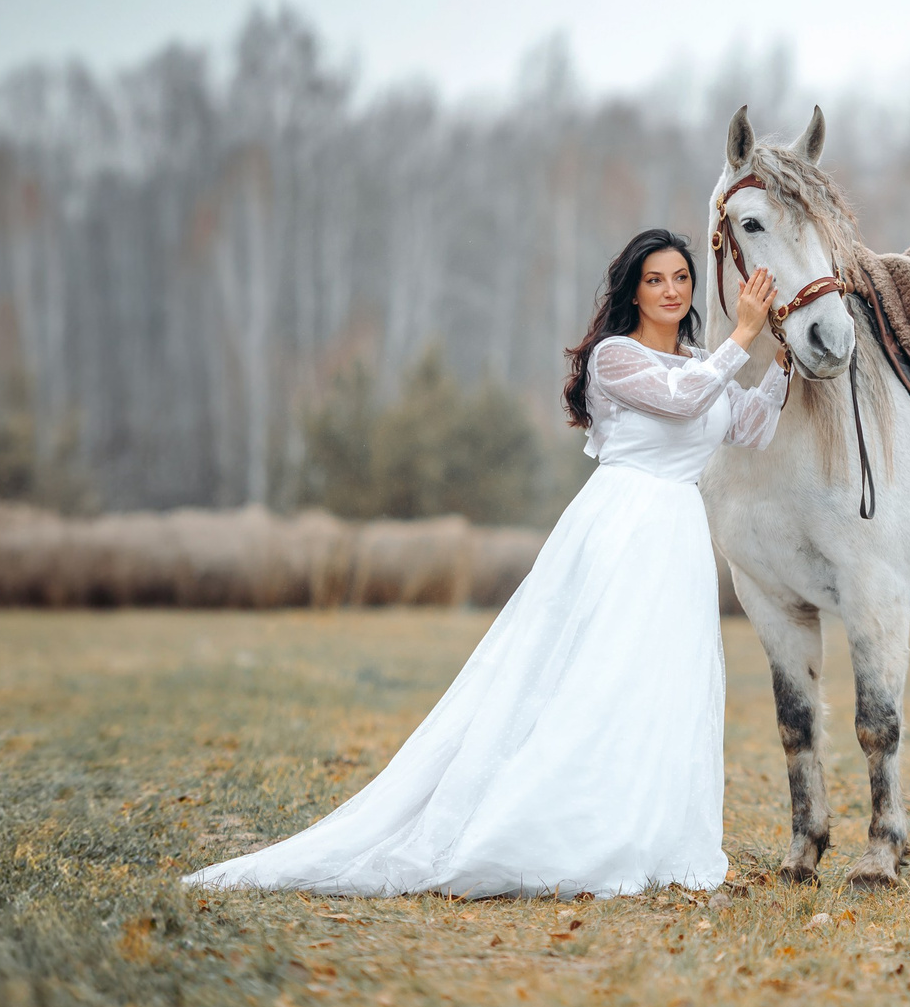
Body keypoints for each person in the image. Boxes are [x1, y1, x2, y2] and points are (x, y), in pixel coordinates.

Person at [184, 229, 788, 899]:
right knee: (598, 676)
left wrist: (788, 356)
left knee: (662, 685)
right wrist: (744, 334)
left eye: (681, 278)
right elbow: (682, 400)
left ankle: (647, 833)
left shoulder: (703, 362)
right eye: (655, 279)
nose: (671, 290)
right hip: (621, 530)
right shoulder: (615, 358)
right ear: (633, 291)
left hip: (679, 538)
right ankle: (550, 833)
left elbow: (752, 425)